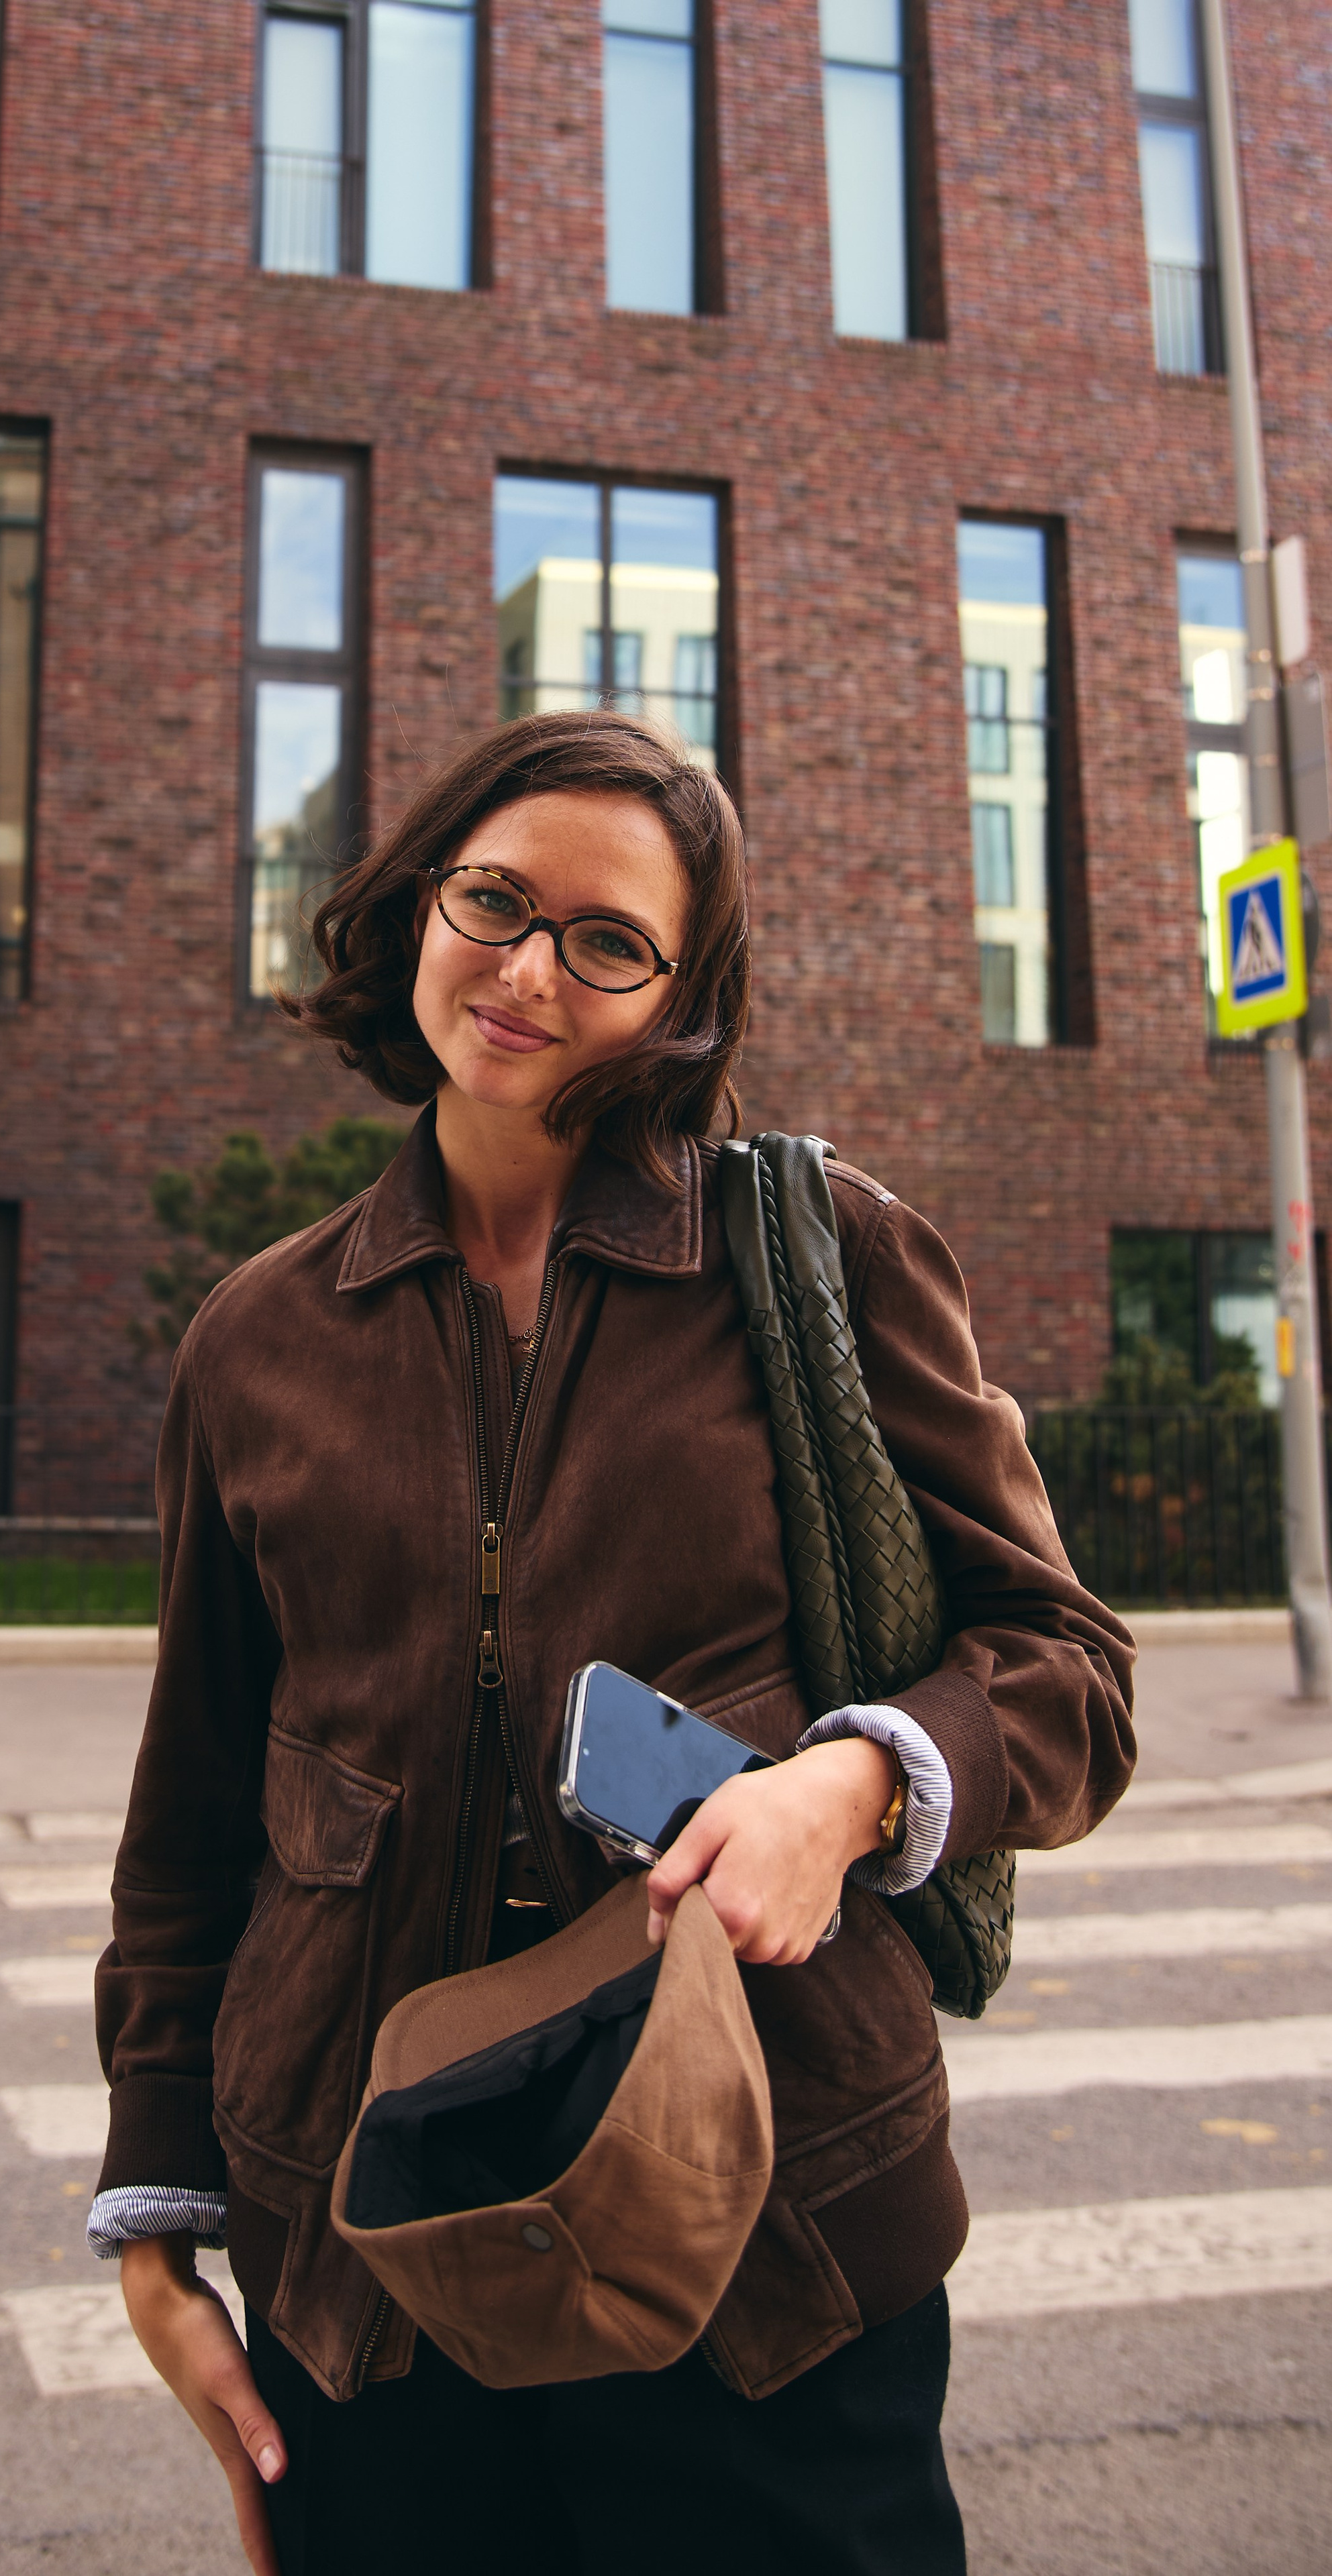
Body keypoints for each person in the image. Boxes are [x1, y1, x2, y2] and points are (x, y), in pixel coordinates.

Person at [90, 710, 1135, 2575]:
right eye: (495, 900)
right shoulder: (259, 1340)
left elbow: (1067, 1668)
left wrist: (852, 1783)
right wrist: (158, 2228)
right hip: (367, 2239)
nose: (527, 969)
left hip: (772, 2220)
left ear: (681, 1002)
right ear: (417, 903)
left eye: (607, 940)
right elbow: (192, 1823)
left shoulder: (821, 1262)